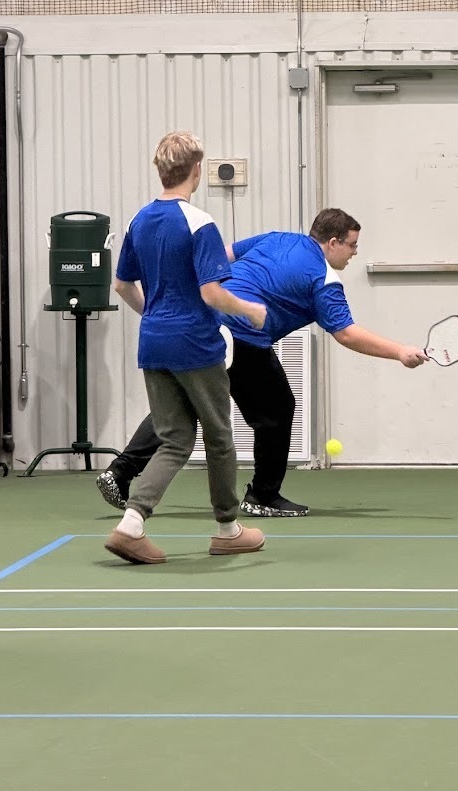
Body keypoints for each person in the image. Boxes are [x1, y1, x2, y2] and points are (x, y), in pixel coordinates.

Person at [97, 207, 427, 519]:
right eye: (352, 245)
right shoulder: (323, 279)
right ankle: (263, 496)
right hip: (243, 338)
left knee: (183, 405)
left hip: (204, 324)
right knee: (277, 409)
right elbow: (346, 334)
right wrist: (400, 351)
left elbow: (221, 256)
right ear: (333, 242)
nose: (354, 252)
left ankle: (120, 471)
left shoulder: (277, 238)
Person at [104, 130, 267, 565]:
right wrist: (250, 310)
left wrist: (157, 317)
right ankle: (228, 530)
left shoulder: (139, 221)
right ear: (196, 169)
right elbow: (212, 293)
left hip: (153, 342)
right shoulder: (199, 223)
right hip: (196, 343)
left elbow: (121, 285)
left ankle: (131, 524)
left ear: (161, 170)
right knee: (219, 437)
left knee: (174, 439)